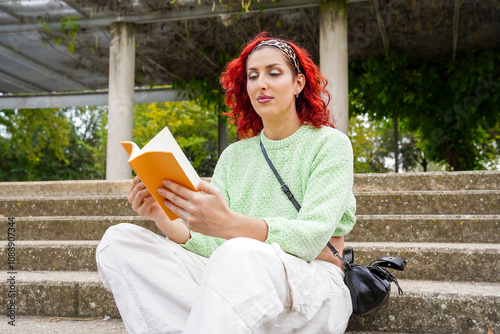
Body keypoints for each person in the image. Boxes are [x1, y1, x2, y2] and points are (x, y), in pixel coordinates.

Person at [96, 32, 356, 334]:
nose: (261, 83)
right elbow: (213, 244)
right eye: (252, 76)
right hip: (235, 282)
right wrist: (162, 215)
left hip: (311, 287)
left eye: (274, 73)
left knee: (240, 251)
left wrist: (230, 223)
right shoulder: (234, 156)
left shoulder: (330, 145)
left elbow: (311, 238)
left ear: (298, 83)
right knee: (119, 241)